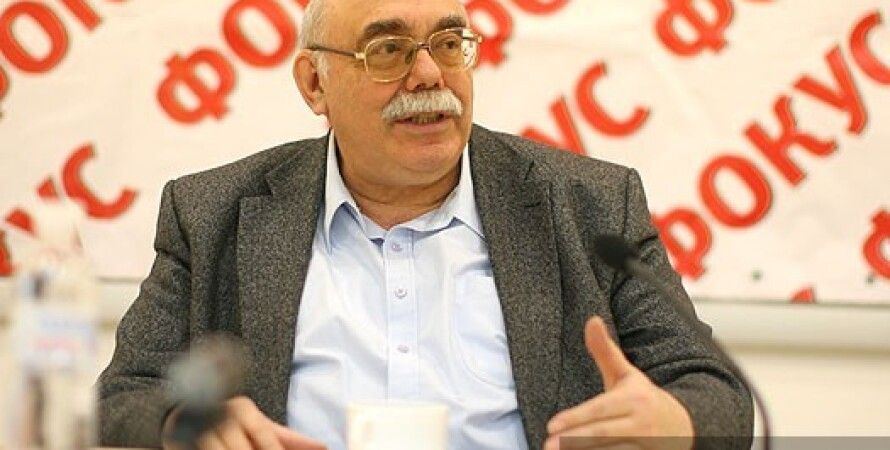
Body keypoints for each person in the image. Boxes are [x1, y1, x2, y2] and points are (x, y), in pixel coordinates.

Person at [97, 0, 754, 449]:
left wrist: (675, 422)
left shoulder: (590, 205)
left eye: (448, 43)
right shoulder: (213, 212)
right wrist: (185, 424)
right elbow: (120, 399)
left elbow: (718, 394)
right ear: (314, 83)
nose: (430, 75)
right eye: (388, 50)